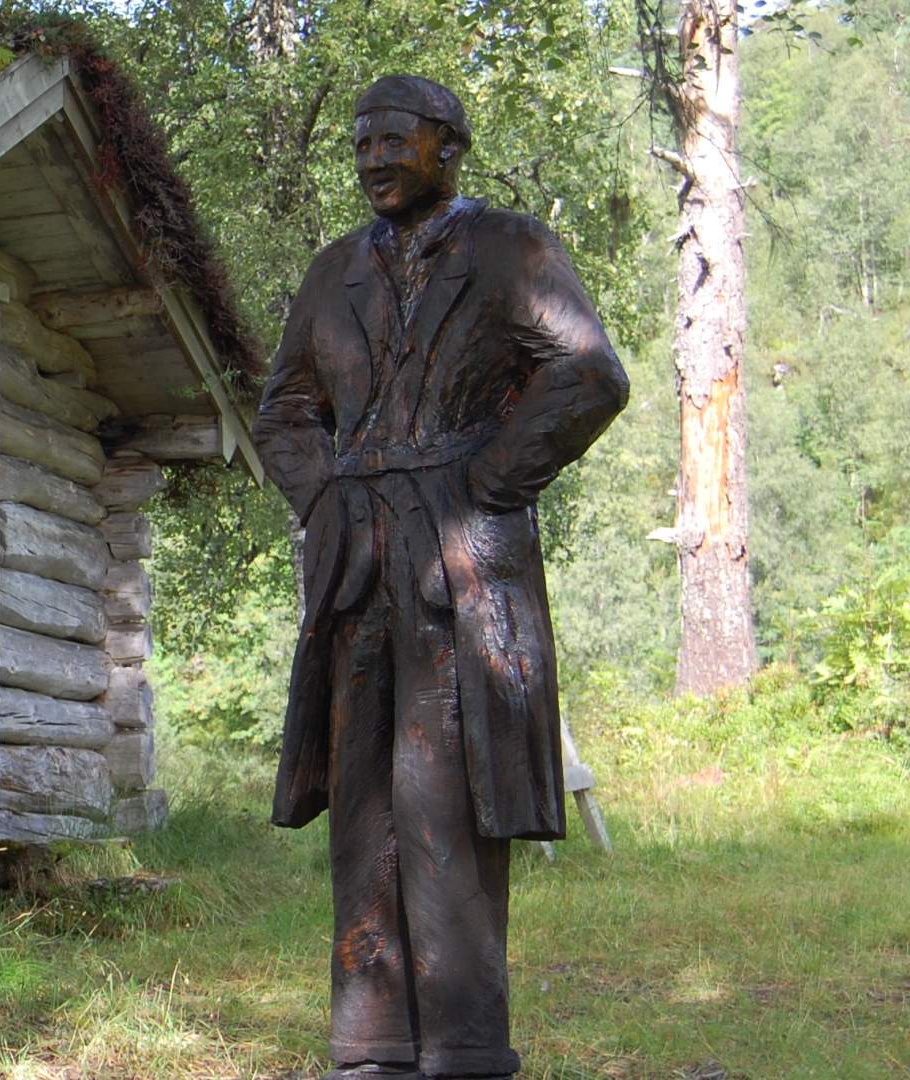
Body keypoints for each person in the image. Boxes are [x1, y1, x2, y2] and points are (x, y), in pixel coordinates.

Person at [251, 75, 629, 1079]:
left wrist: (487, 480)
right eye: (361, 143)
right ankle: (370, 1041)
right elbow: (285, 404)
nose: (373, 157)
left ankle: (463, 1044)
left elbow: (589, 373)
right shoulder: (335, 270)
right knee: (365, 788)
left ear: (449, 146)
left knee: (451, 789)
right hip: (357, 557)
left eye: (394, 140)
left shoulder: (511, 248)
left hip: (464, 555)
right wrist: (324, 500)